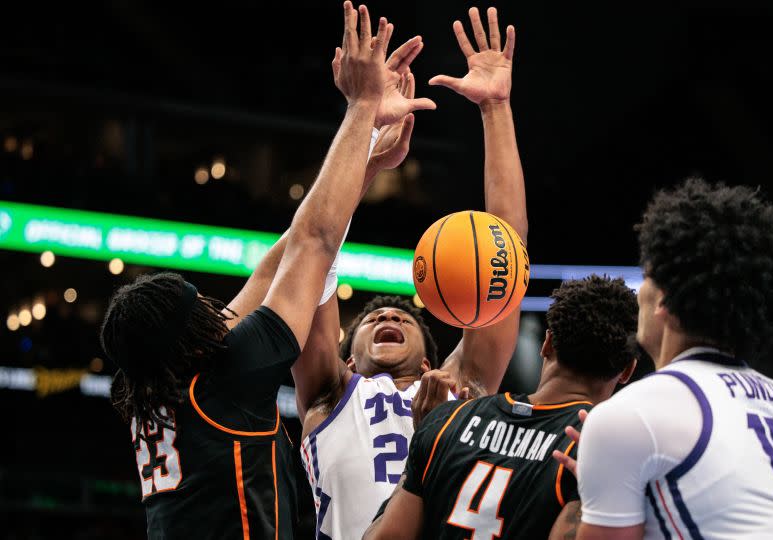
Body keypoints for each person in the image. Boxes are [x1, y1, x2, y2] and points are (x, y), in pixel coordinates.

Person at [98, 4, 427, 537]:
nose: (217, 313)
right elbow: (314, 242)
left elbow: (288, 256)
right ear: (192, 336)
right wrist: (362, 107)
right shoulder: (228, 374)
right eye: (201, 312)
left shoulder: (153, 381)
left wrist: (366, 161)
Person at [294, 7, 528, 539]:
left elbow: (506, 255)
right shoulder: (329, 394)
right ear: (347, 359)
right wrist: (364, 135)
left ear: (428, 360)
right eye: (373, 319)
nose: (388, 316)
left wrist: (496, 109)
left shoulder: (459, 386)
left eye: (400, 316)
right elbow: (315, 248)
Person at [558, 178, 773, 539]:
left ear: (664, 300)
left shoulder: (629, 412)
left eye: (646, 276)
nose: (639, 291)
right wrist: (613, 486)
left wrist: (597, 488)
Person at [363, 275, 639, 540]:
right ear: (627, 370)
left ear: (547, 344)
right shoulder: (598, 446)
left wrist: (422, 447)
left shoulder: (448, 419)